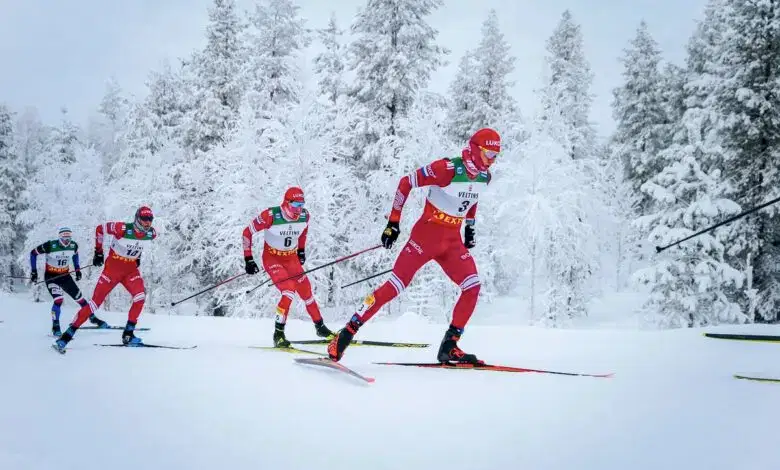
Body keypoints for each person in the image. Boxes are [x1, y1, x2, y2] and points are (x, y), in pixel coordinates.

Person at [328, 128, 501, 364]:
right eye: (489, 154)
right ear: (474, 149)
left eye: (496, 156)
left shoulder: (484, 177)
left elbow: (472, 197)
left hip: (452, 241)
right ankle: (346, 333)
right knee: (394, 287)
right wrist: (393, 223)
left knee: (472, 287)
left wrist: (469, 226)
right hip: (425, 238)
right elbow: (406, 182)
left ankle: (449, 346)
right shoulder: (447, 169)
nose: (492, 161)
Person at [52, 207, 157, 353]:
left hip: (130, 270)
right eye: (144, 219)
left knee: (140, 298)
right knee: (95, 304)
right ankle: (65, 337)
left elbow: (139, 245)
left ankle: (128, 334)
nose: (147, 223)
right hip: (112, 269)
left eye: (150, 220)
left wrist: (137, 258)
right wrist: (98, 252)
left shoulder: (151, 234)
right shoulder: (122, 228)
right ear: (137, 218)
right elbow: (100, 229)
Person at [242, 187, 335, 347]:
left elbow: (303, 232)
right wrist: (248, 258)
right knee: (288, 291)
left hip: (291, 258)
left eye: (301, 205)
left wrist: (300, 250)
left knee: (306, 290)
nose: (298, 210)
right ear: (286, 203)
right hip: (272, 258)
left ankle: (320, 327)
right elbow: (246, 233)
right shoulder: (271, 216)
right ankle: (278, 334)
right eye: (295, 205)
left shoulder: (305, 216)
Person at [30, 227, 108, 336]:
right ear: (60, 237)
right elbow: (33, 253)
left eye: (69, 237)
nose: (67, 240)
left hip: (65, 276)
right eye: (64, 237)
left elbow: (75, 255)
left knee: (80, 299)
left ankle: (92, 318)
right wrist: (34, 272)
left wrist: (77, 270)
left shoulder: (73, 246)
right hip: (51, 277)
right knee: (59, 300)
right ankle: (56, 326)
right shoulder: (50, 245)